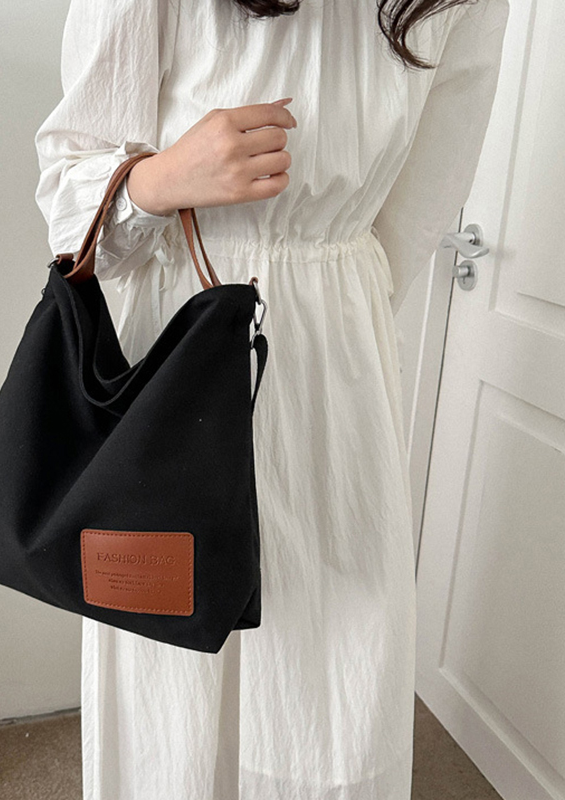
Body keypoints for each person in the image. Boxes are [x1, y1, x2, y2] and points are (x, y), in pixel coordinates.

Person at [33, 0, 509, 797]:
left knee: (334, 655)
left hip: (335, 367)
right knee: (175, 653)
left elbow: (421, 206)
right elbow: (68, 203)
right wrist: (160, 180)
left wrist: (324, 302)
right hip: (181, 351)